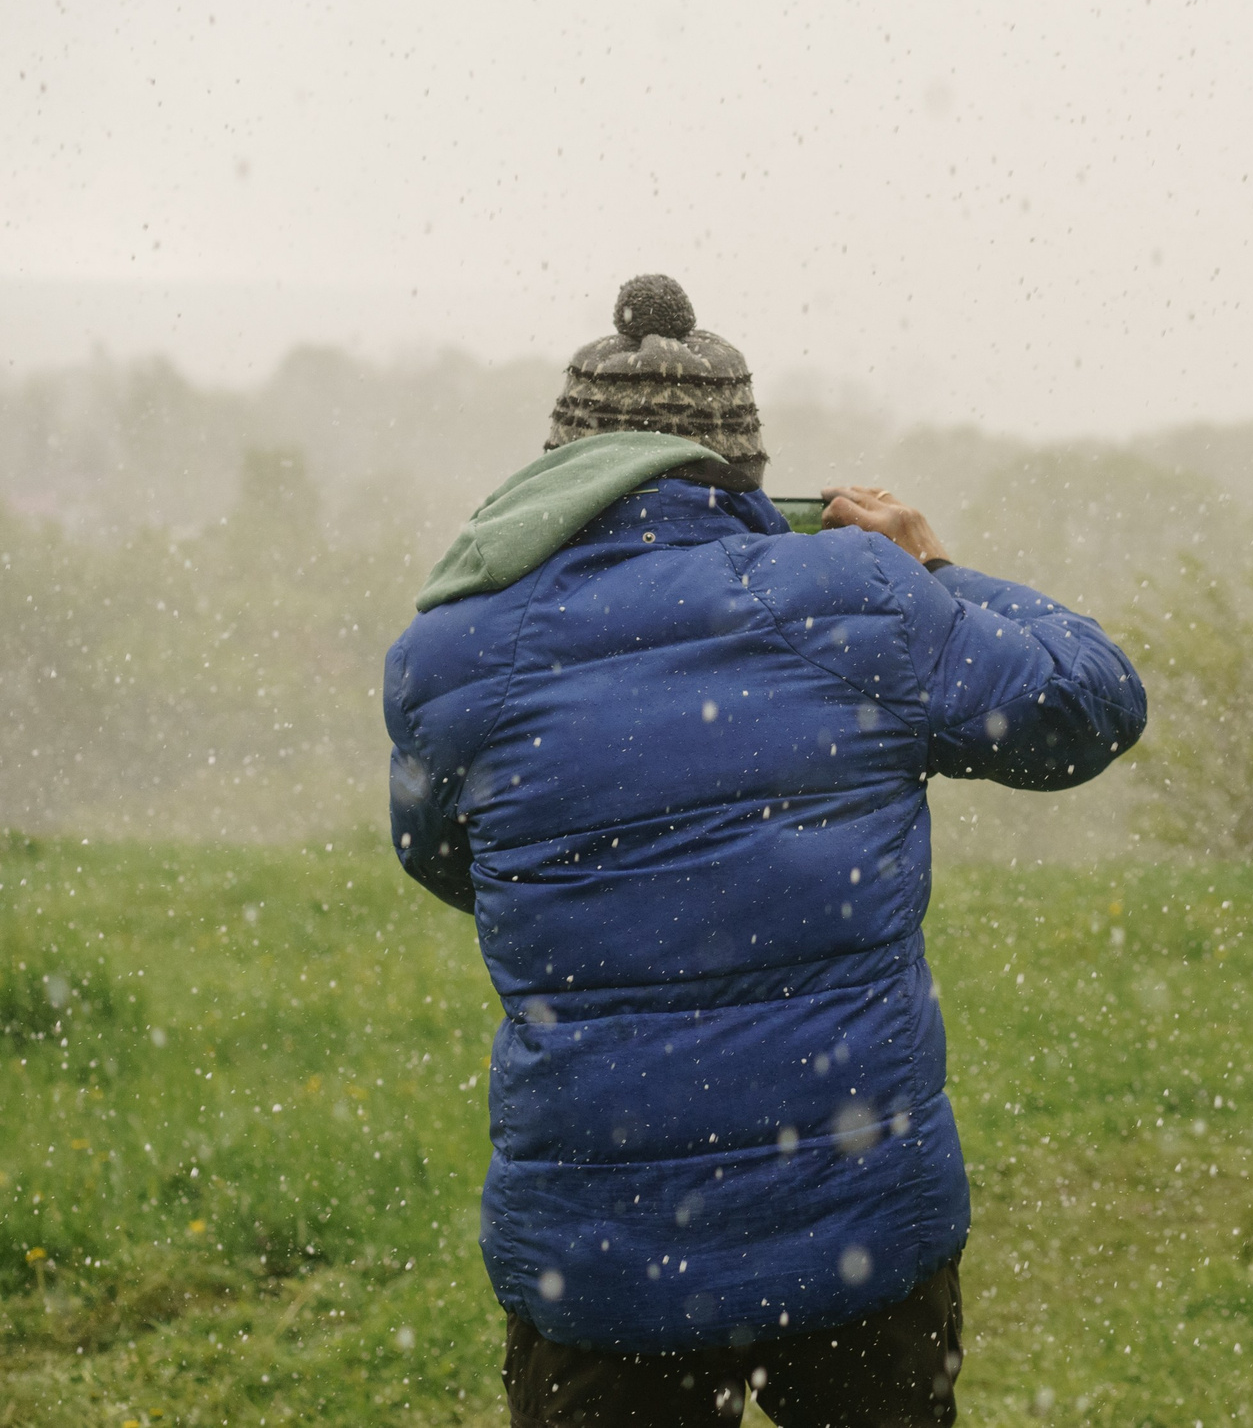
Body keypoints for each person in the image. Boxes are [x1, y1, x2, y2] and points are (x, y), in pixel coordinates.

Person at [383, 276, 1148, 1426]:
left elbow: (452, 863)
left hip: (599, 1260)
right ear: (741, 470)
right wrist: (930, 564)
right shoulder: (858, 596)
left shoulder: (452, 650)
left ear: (558, 472)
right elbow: (1092, 704)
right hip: (859, 1230)